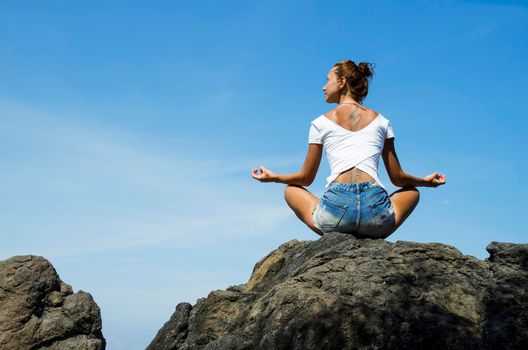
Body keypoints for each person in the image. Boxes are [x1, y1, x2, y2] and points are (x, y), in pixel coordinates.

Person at [251, 59, 446, 238]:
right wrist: (425, 182)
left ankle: (335, 236)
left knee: (290, 190)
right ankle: (372, 234)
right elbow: (397, 178)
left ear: (342, 82)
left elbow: (305, 178)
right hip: (375, 213)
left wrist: (273, 177)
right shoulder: (382, 122)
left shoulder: (320, 123)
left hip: (335, 212)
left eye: (328, 80)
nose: (323, 86)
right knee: (412, 192)